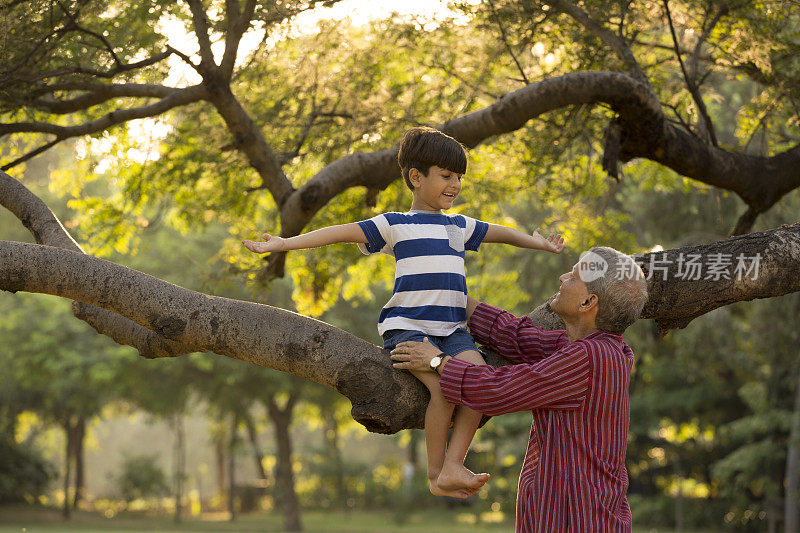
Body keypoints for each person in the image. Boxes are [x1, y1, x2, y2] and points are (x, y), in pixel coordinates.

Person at [243, 126, 564, 498]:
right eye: (446, 175)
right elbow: (338, 232)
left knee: (477, 379)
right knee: (445, 389)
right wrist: (285, 243)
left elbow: (504, 233)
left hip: (453, 331)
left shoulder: (459, 226)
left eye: (459, 177)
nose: (455, 184)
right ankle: (434, 474)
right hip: (409, 328)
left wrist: (538, 243)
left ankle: (454, 465)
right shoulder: (395, 224)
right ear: (416, 177)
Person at [390, 247, 648, 532]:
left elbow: (498, 390)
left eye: (573, 276)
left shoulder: (588, 359)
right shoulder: (588, 349)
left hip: (578, 518)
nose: (563, 278)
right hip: (560, 513)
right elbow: (515, 337)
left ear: (588, 301)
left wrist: (437, 361)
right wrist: (447, 294)